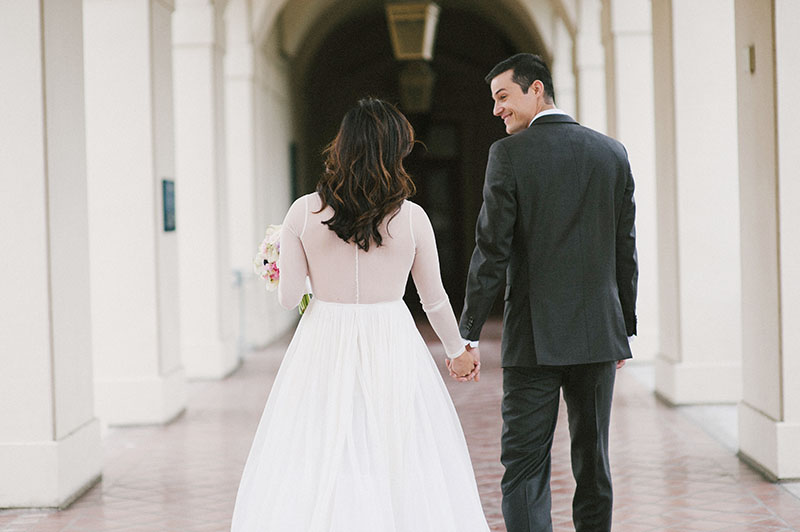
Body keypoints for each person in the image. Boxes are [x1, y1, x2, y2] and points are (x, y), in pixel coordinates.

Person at [231, 98, 488, 532]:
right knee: (393, 447)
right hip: (390, 336)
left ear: (343, 147)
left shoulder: (302, 212)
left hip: (322, 340)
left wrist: (280, 262)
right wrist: (458, 350)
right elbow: (435, 300)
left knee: (324, 445)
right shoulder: (412, 218)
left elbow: (289, 299)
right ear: (392, 152)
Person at [456, 53, 638, 532]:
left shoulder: (509, 155)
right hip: (599, 333)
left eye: (503, 97)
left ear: (536, 90)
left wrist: (468, 334)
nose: (496, 110)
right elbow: (625, 250)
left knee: (524, 465)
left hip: (533, 338)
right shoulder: (611, 152)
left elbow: (491, 250)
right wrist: (625, 328)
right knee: (593, 460)